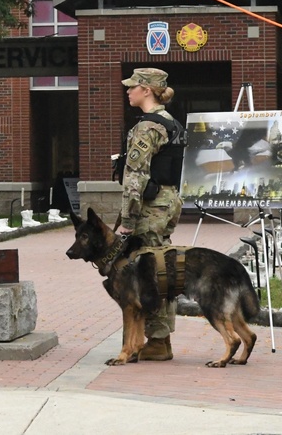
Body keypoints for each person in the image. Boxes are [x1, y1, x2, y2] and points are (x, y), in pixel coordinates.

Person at [117, 67, 185, 362]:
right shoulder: (171, 122)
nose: (128, 91)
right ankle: (161, 340)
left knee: (149, 273)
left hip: (150, 206)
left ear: (146, 90)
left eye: (133, 87)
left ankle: (156, 341)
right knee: (162, 268)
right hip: (168, 200)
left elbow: (136, 177)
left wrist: (127, 222)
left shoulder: (147, 127)